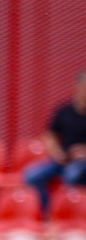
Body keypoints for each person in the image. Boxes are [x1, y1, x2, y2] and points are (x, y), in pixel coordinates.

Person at [24, 70, 86, 212]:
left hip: (82, 163)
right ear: (78, 87)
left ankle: (71, 215)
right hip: (62, 160)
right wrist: (56, 153)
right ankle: (48, 213)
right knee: (32, 175)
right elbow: (49, 135)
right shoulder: (64, 111)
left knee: (72, 176)